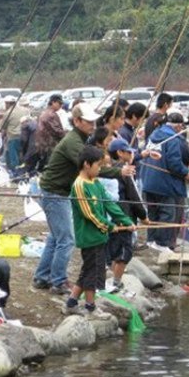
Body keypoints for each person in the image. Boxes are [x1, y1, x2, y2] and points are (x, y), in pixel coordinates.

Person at [33, 103, 135, 294]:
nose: (92, 125)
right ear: (77, 121)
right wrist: (119, 171)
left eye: (93, 121)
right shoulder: (74, 142)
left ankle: (42, 277)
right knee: (67, 239)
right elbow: (90, 167)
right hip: (55, 193)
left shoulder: (82, 138)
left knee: (56, 238)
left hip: (58, 192)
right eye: (88, 122)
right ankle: (58, 281)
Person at [62, 145, 135, 318]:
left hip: (99, 236)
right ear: (87, 164)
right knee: (92, 273)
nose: (100, 169)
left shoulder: (95, 182)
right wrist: (110, 227)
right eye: (98, 166)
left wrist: (125, 220)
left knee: (88, 269)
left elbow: (109, 203)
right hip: (89, 237)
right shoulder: (79, 186)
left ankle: (72, 303)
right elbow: (90, 214)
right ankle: (90, 308)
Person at [142, 113, 189, 252]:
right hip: (164, 184)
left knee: (153, 213)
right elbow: (175, 163)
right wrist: (186, 173)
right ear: (178, 126)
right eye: (182, 126)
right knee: (167, 213)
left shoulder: (154, 135)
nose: (182, 129)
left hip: (148, 181)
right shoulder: (173, 139)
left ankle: (151, 240)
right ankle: (162, 244)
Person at [105, 138, 148, 292]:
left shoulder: (106, 169)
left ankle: (113, 280)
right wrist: (144, 217)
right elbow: (134, 197)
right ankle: (116, 282)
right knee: (124, 251)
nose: (131, 154)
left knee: (112, 249)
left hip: (108, 217)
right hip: (123, 216)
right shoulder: (124, 171)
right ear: (119, 153)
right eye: (128, 152)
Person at [33, 93, 66, 171]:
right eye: (59, 103)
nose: (61, 105)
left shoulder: (46, 112)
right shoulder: (50, 115)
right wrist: (69, 135)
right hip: (48, 145)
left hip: (44, 144)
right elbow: (56, 131)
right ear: (53, 102)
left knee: (45, 164)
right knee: (50, 166)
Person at [0, 95, 28, 173]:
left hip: (13, 137)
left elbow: (3, 126)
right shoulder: (24, 110)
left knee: (14, 157)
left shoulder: (8, 113)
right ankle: (24, 171)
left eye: (5, 104)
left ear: (8, 103)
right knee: (23, 155)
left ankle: (15, 172)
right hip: (25, 136)